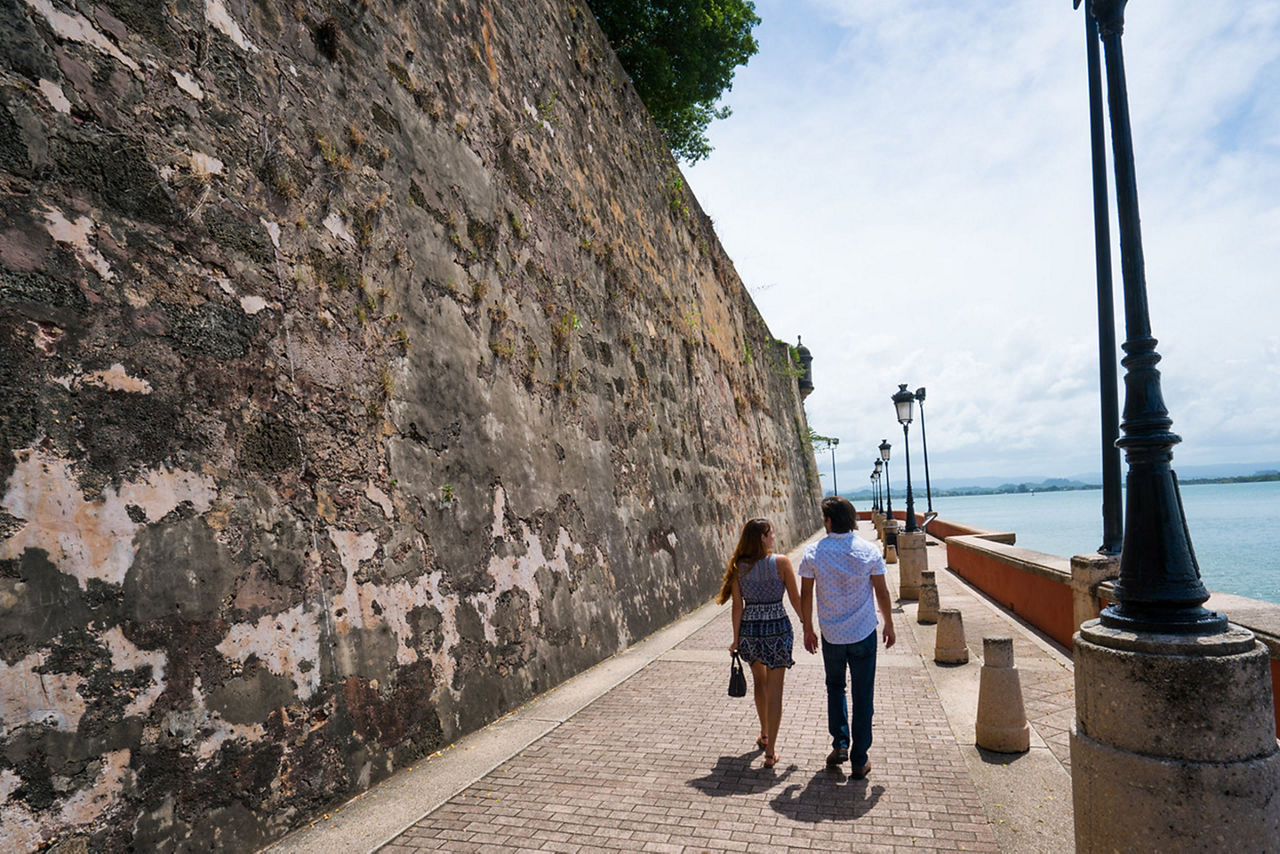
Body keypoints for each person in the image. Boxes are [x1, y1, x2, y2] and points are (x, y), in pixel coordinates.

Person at [799, 496, 896, 779]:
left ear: (829, 521)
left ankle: (840, 744)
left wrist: (807, 627)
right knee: (863, 696)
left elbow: (806, 594)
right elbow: (882, 592)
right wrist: (889, 624)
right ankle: (859, 759)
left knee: (835, 688)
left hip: (832, 634)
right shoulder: (868, 551)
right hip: (864, 632)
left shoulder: (814, 552)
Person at [717, 518, 802, 768]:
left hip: (751, 630)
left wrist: (735, 639)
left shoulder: (739, 567)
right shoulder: (782, 563)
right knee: (776, 690)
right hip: (777, 628)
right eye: (770, 533)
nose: (774, 536)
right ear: (762, 538)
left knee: (759, 682)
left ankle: (764, 733)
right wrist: (807, 625)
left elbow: (737, 607)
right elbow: (796, 600)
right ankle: (770, 751)